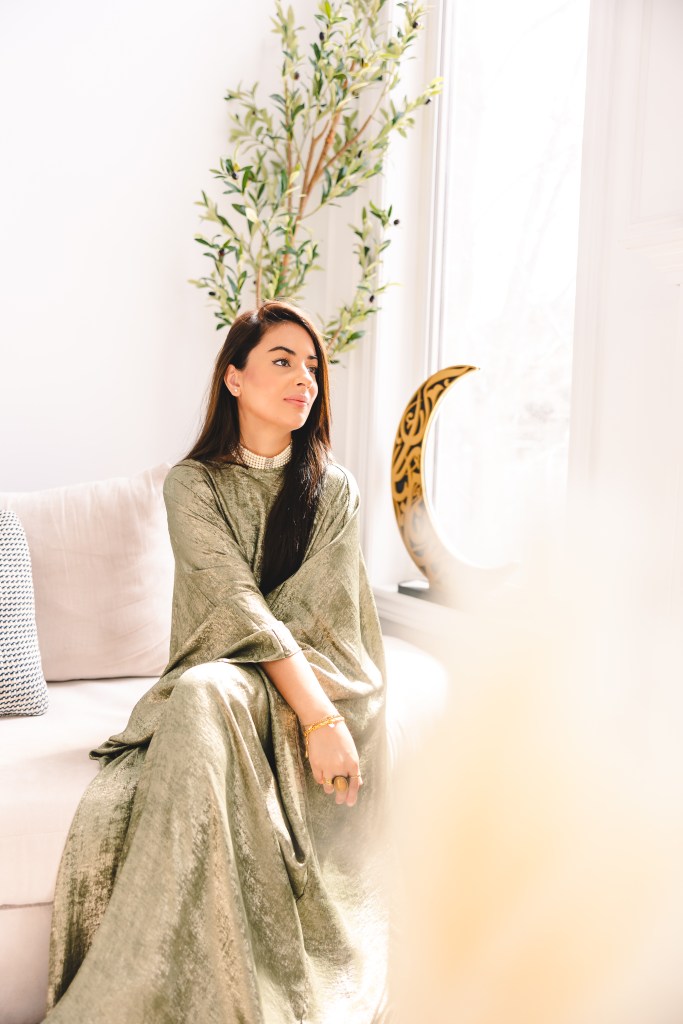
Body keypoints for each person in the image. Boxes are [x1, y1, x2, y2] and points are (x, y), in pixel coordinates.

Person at [43, 301, 389, 1023]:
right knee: (204, 689)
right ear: (234, 378)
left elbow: (323, 618)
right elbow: (232, 605)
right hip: (238, 676)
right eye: (282, 361)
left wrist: (324, 713)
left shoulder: (335, 489)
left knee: (210, 691)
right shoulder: (192, 484)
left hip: (323, 676)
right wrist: (316, 721)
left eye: (313, 366)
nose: (305, 379)